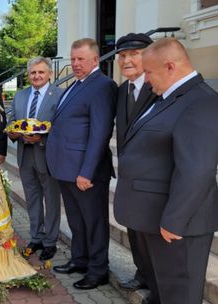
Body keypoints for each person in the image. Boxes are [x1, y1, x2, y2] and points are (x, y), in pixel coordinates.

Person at [114, 37, 218, 304]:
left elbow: (197, 169)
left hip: (176, 228)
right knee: (163, 294)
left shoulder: (201, 101)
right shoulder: (168, 97)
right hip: (154, 219)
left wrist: (174, 220)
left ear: (170, 66)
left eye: (149, 72)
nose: (146, 79)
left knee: (179, 296)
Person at [46, 38, 117, 289]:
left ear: (96, 60)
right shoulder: (76, 84)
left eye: (81, 59)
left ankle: (98, 270)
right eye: (73, 59)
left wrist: (86, 172)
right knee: (76, 220)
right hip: (66, 168)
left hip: (86, 172)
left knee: (94, 222)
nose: (75, 64)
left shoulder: (103, 86)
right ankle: (80, 259)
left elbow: (100, 133)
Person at [7, 57, 62, 260]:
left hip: (47, 154)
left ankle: (50, 241)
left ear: (50, 74)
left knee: (51, 199)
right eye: (33, 73)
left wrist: (43, 136)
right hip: (25, 154)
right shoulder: (20, 96)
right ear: (28, 74)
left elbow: (62, 125)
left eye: (41, 72)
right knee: (32, 199)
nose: (36, 76)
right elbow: (12, 120)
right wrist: (12, 133)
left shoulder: (59, 95)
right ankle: (36, 237)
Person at [114, 33, 156, 292]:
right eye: (122, 56)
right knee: (134, 230)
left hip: (151, 176)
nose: (127, 60)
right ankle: (142, 273)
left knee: (150, 233)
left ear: (149, 56)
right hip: (129, 175)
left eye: (134, 54)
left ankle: (156, 282)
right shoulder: (121, 90)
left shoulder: (159, 87)